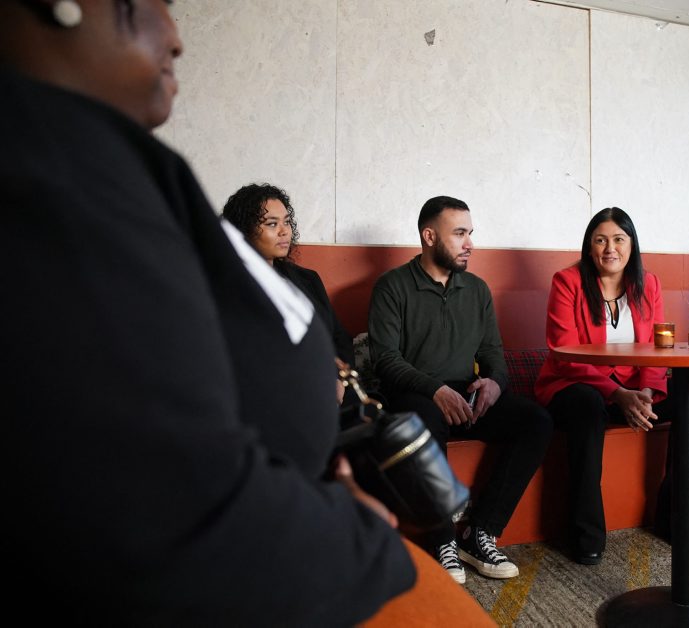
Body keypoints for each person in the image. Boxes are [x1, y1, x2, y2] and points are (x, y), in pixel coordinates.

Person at [0, 1, 489, 623]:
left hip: (308, 488)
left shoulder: (109, 160)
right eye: (148, 5)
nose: (176, 36)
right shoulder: (44, 178)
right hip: (268, 544)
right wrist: (349, 532)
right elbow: (147, 487)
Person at [368, 195, 553, 584]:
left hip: (466, 395)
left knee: (535, 421)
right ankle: (442, 541)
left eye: (470, 233)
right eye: (459, 233)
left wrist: (494, 383)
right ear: (429, 236)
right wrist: (435, 390)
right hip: (415, 394)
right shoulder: (392, 286)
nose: (470, 243)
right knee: (423, 419)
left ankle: (479, 532)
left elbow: (493, 353)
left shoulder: (477, 289)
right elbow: (386, 360)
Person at [535, 207, 689, 563]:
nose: (610, 248)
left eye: (618, 239)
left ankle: (677, 519)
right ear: (589, 246)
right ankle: (586, 535)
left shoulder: (648, 284)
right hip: (574, 385)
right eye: (600, 240)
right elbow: (566, 355)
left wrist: (647, 393)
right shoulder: (567, 282)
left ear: (631, 244)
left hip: (633, 388)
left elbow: (657, 347)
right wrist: (617, 394)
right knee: (587, 407)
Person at [222, 183, 355, 405]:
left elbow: (339, 338)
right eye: (272, 224)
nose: (284, 231)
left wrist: (338, 379)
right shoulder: (227, 288)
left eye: (286, 222)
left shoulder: (308, 280)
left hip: (330, 393)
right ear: (243, 231)